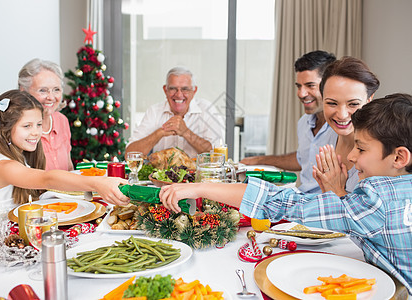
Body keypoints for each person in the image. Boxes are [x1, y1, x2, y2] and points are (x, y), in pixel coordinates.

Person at [160, 93, 412, 293]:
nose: (351, 156)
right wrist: (340, 193)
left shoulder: (376, 198)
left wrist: (200, 187)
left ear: (399, 156)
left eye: (361, 148)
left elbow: (284, 203)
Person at [0, 90, 129, 254]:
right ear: (1, 128)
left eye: (39, 124)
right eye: (27, 126)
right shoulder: (3, 166)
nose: (36, 132)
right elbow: (47, 178)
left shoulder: (18, 155)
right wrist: (98, 183)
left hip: (16, 228)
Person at [241, 50, 337, 193]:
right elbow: (302, 159)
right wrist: (258, 160)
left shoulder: (342, 128)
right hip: (302, 196)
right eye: (299, 86)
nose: (301, 93)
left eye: (310, 85)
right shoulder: (304, 122)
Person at [313, 56, 380, 193]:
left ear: (369, 100)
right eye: (332, 103)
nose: (342, 115)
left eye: (353, 104)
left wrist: (337, 191)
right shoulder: (326, 137)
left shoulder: (381, 151)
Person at [125, 66, 225, 158]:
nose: (179, 94)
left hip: (198, 175)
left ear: (194, 91)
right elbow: (130, 154)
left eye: (185, 89)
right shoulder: (154, 111)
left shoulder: (206, 109)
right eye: (173, 89)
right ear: (165, 90)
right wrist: (159, 133)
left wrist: (185, 132)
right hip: (160, 176)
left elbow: (217, 155)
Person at [18, 58, 74, 171]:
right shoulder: (18, 126)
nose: (51, 97)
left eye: (56, 89)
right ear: (23, 91)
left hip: (65, 188)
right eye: (43, 90)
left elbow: (69, 167)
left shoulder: (62, 120)